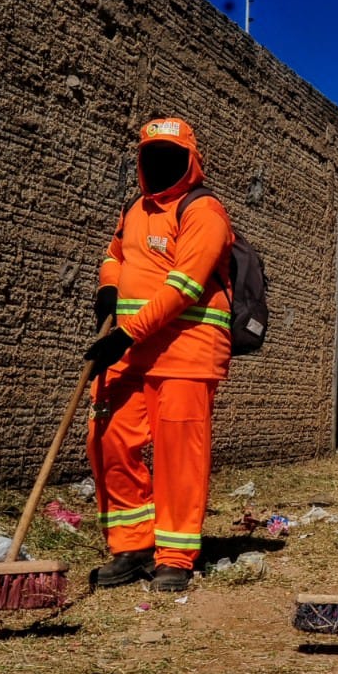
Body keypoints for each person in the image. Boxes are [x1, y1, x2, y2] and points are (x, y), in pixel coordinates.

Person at [86, 117, 234, 593]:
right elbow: (114, 255)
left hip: (187, 352)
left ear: (190, 160)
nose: (158, 164)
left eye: (170, 156)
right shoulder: (134, 209)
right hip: (130, 350)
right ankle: (131, 545)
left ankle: (174, 555)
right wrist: (109, 290)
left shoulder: (204, 210)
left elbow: (185, 285)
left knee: (178, 457)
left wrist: (126, 333)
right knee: (107, 438)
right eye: (150, 155)